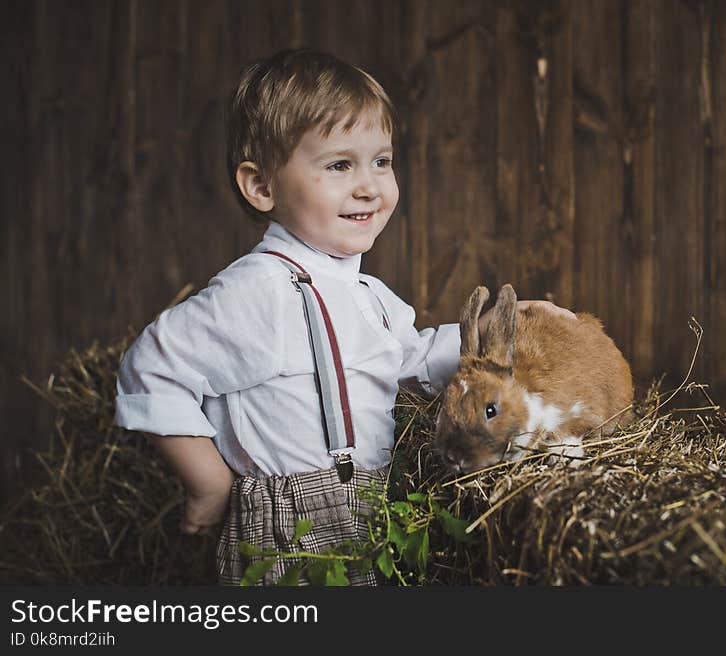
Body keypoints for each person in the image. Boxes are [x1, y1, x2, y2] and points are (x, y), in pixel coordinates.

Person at [114, 48, 573, 586]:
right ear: (261, 187)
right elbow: (148, 368)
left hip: (375, 509)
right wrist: (209, 483)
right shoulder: (258, 289)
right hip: (292, 530)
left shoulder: (366, 293)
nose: (368, 185)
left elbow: (414, 358)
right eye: (339, 165)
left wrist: (506, 328)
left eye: (381, 160)